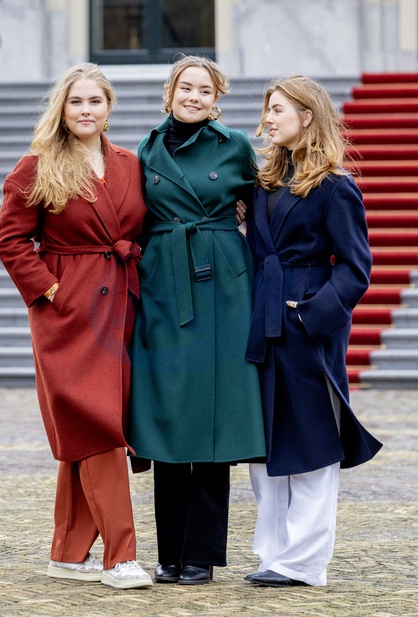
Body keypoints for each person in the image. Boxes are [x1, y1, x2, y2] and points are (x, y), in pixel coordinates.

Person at [0, 62, 153, 590]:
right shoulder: (37, 165)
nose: (86, 110)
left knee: (89, 427)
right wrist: (50, 291)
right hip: (67, 312)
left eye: (95, 101)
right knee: (99, 424)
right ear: (61, 109)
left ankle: (67, 552)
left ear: (109, 108)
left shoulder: (130, 163)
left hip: (121, 305)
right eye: (76, 101)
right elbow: (10, 239)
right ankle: (120, 557)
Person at [127, 54, 266, 585]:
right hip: (164, 280)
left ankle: (201, 555)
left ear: (216, 99)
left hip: (223, 286)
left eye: (205, 90)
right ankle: (169, 551)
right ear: (170, 93)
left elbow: (263, 211)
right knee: (171, 413)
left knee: (213, 417)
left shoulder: (236, 145)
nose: (194, 97)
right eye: (186, 88)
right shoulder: (146, 150)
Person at [243, 74, 383, 588]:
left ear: (307, 117)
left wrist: (311, 316)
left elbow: (356, 268)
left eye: (278, 109)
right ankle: (272, 555)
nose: (268, 118)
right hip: (263, 322)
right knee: (266, 447)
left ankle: (303, 563)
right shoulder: (263, 183)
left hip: (308, 326)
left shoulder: (336, 187)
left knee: (313, 441)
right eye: (268, 108)